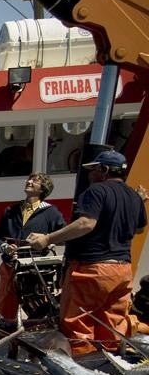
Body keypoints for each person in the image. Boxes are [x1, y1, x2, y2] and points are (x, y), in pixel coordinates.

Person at [27, 150, 148, 356]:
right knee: (111, 323)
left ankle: (82, 365)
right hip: (122, 270)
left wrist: (47, 239)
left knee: (77, 324)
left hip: (93, 269)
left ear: (104, 170)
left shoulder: (96, 191)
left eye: (93, 169)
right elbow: (139, 229)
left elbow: (86, 223)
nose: (90, 174)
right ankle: (109, 363)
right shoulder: (134, 197)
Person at [0, 173, 66, 321]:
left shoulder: (52, 213)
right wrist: (4, 246)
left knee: (39, 315)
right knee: (3, 315)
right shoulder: (11, 210)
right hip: (10, 269)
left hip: (36, 273)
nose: (29, 181)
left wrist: (47, 240)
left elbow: (65, 238)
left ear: (43, 189)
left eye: (35, 181)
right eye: (29, 179)